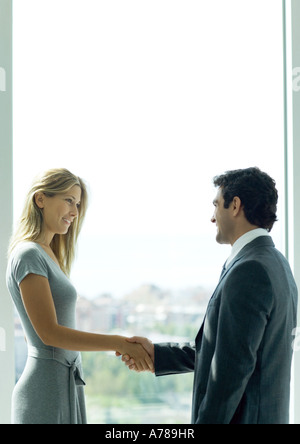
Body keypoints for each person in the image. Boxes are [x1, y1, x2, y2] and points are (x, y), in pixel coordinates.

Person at [120, 167, 298, 424]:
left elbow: (230, 372)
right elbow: (227, 349)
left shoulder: (250, 269)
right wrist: (158, 356)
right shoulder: (276, 263)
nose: (212, 217)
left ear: (235, 205)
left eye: (216, 205)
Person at [6, 168, 154, 425]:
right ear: (40, 199)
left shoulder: (47, 253)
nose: (74, 213)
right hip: (45, 390)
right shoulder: (28, 255)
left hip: (64, 382)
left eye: (77, 204)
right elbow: (50, 334)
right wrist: (118, 343)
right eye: (68, 201)